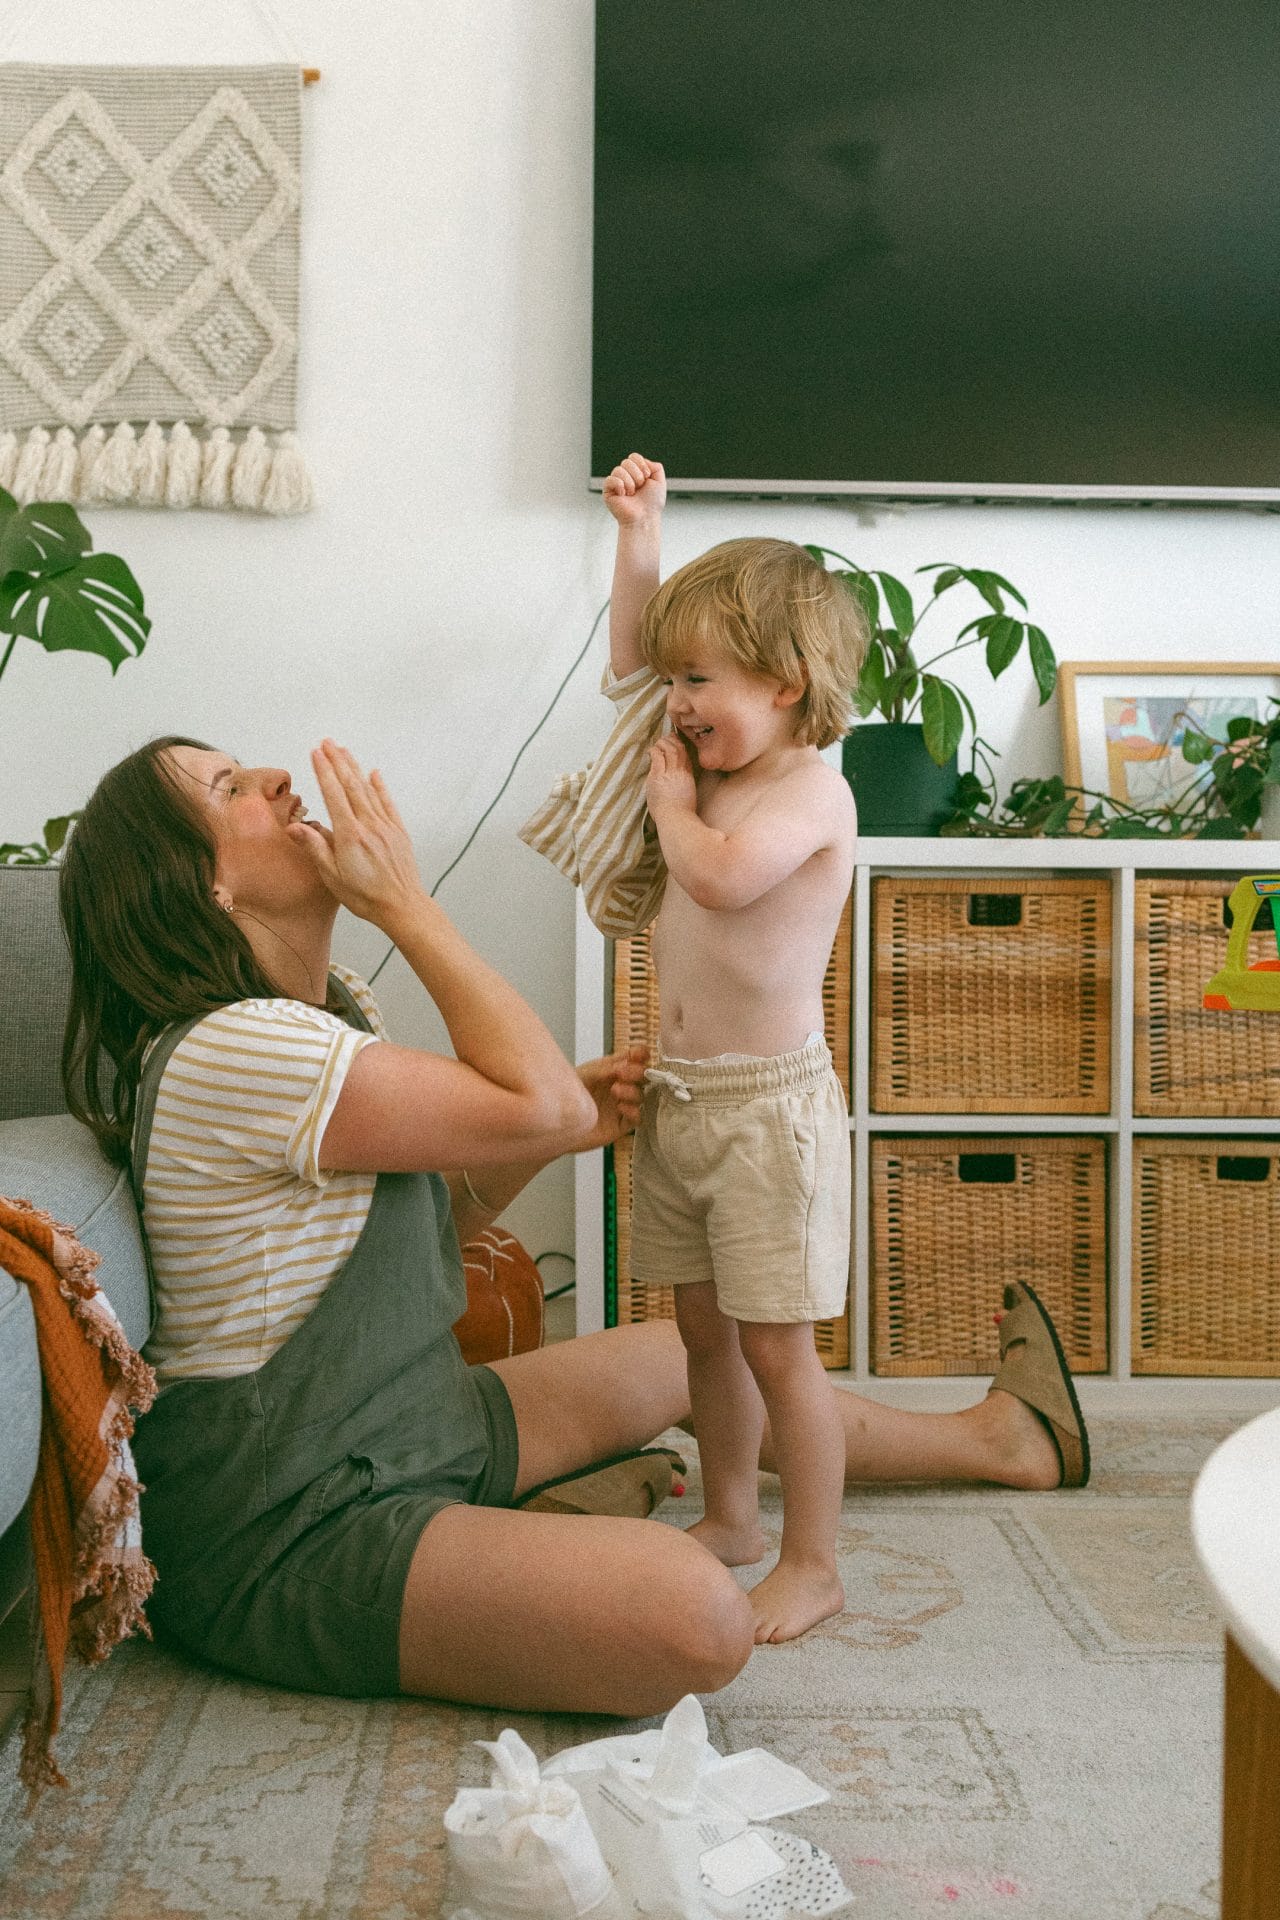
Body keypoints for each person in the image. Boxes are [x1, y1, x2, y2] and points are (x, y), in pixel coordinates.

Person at [58, 724, 1086, 1723]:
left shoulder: (325, 1012)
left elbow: (428, 1227)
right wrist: (409, 908)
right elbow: (536, 1097)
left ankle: (998, 1441)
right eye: (227, 786)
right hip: (291, 1523)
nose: (276, 778)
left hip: (406, 1429)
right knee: (694, 1617)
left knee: (692, 1359)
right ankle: (531, 1544)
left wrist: (553, 1133)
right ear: (202, 887)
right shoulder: (237, 1048)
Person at [524, 452, 1089, 1646]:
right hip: (682, 1098)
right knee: (701, 1332)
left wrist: (671, 808)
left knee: (780, 1348)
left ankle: (813, 1560)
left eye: (700, 681)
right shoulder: (712, 756)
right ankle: (731, 1516)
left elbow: (721, 881)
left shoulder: (804, 794)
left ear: (784, 684)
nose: (671, 704)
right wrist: (640, 531)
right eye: (675, 682)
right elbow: (630, 656)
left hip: (766, 1117)